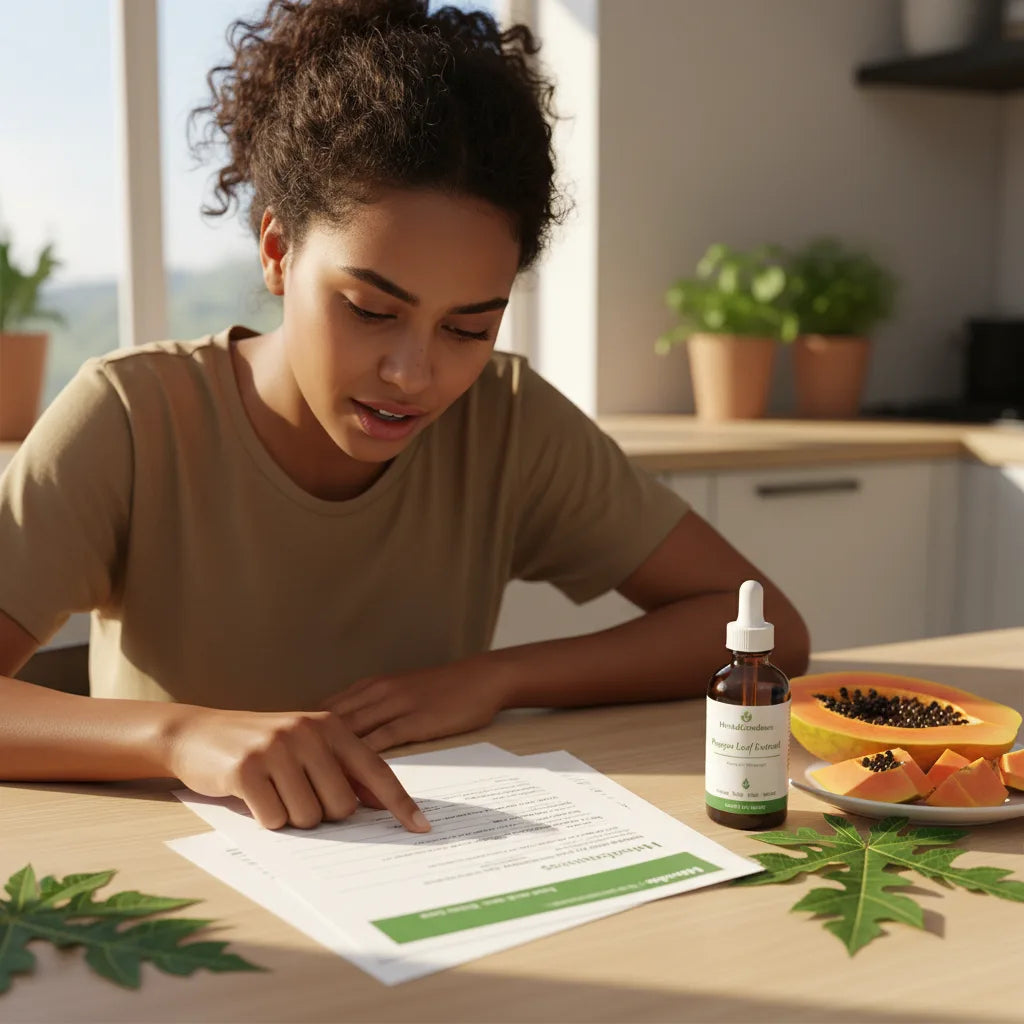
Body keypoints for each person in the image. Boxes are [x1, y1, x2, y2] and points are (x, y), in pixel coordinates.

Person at [0, 0, 809, 832]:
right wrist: (179, 737)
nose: (413, 375)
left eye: (468, 328)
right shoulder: (132, 418)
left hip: (427, 861)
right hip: (176, 880)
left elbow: (767, 628)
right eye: (370, 310)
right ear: (277, 252)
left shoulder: (507, 420)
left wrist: (494, 679)